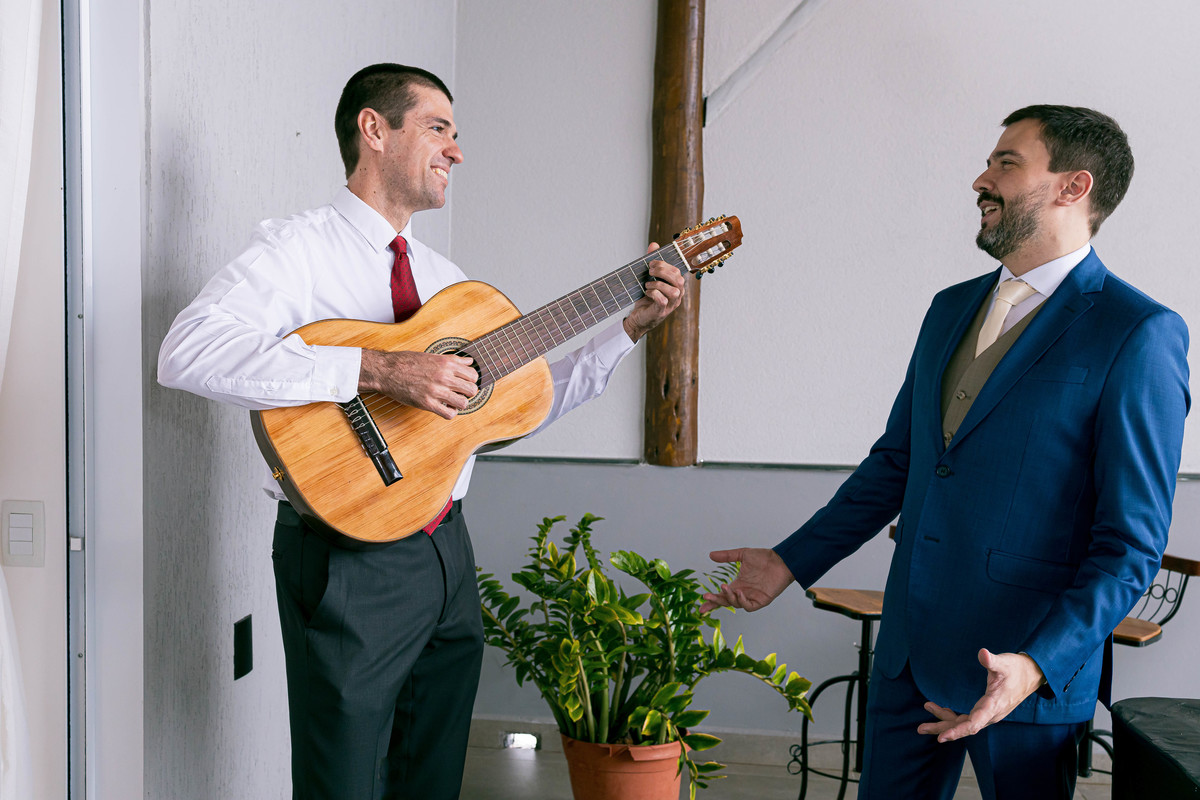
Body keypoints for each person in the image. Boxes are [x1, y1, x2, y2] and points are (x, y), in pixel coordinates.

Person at [157, 63, 685, 800]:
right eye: (439, 129)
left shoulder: (448, 283)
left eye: (456, 135)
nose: (457, 151)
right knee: (342, 780)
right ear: (374, 130)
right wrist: (375, 369)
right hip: (346, 558)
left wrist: (626, 330)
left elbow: (515, 406)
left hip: (445, 552)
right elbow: (186, 352)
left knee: (429, 778)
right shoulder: (297, 252)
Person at [700, 105, 1190, 799]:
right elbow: (897, 464)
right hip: (911, 654)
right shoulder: (949, 308)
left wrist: (1038, 663)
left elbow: (1130, 544)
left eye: (1007, 164)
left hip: (1024, 672)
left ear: (1073, 187)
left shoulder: (1137, 333)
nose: (980, 179)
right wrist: (791, 560)